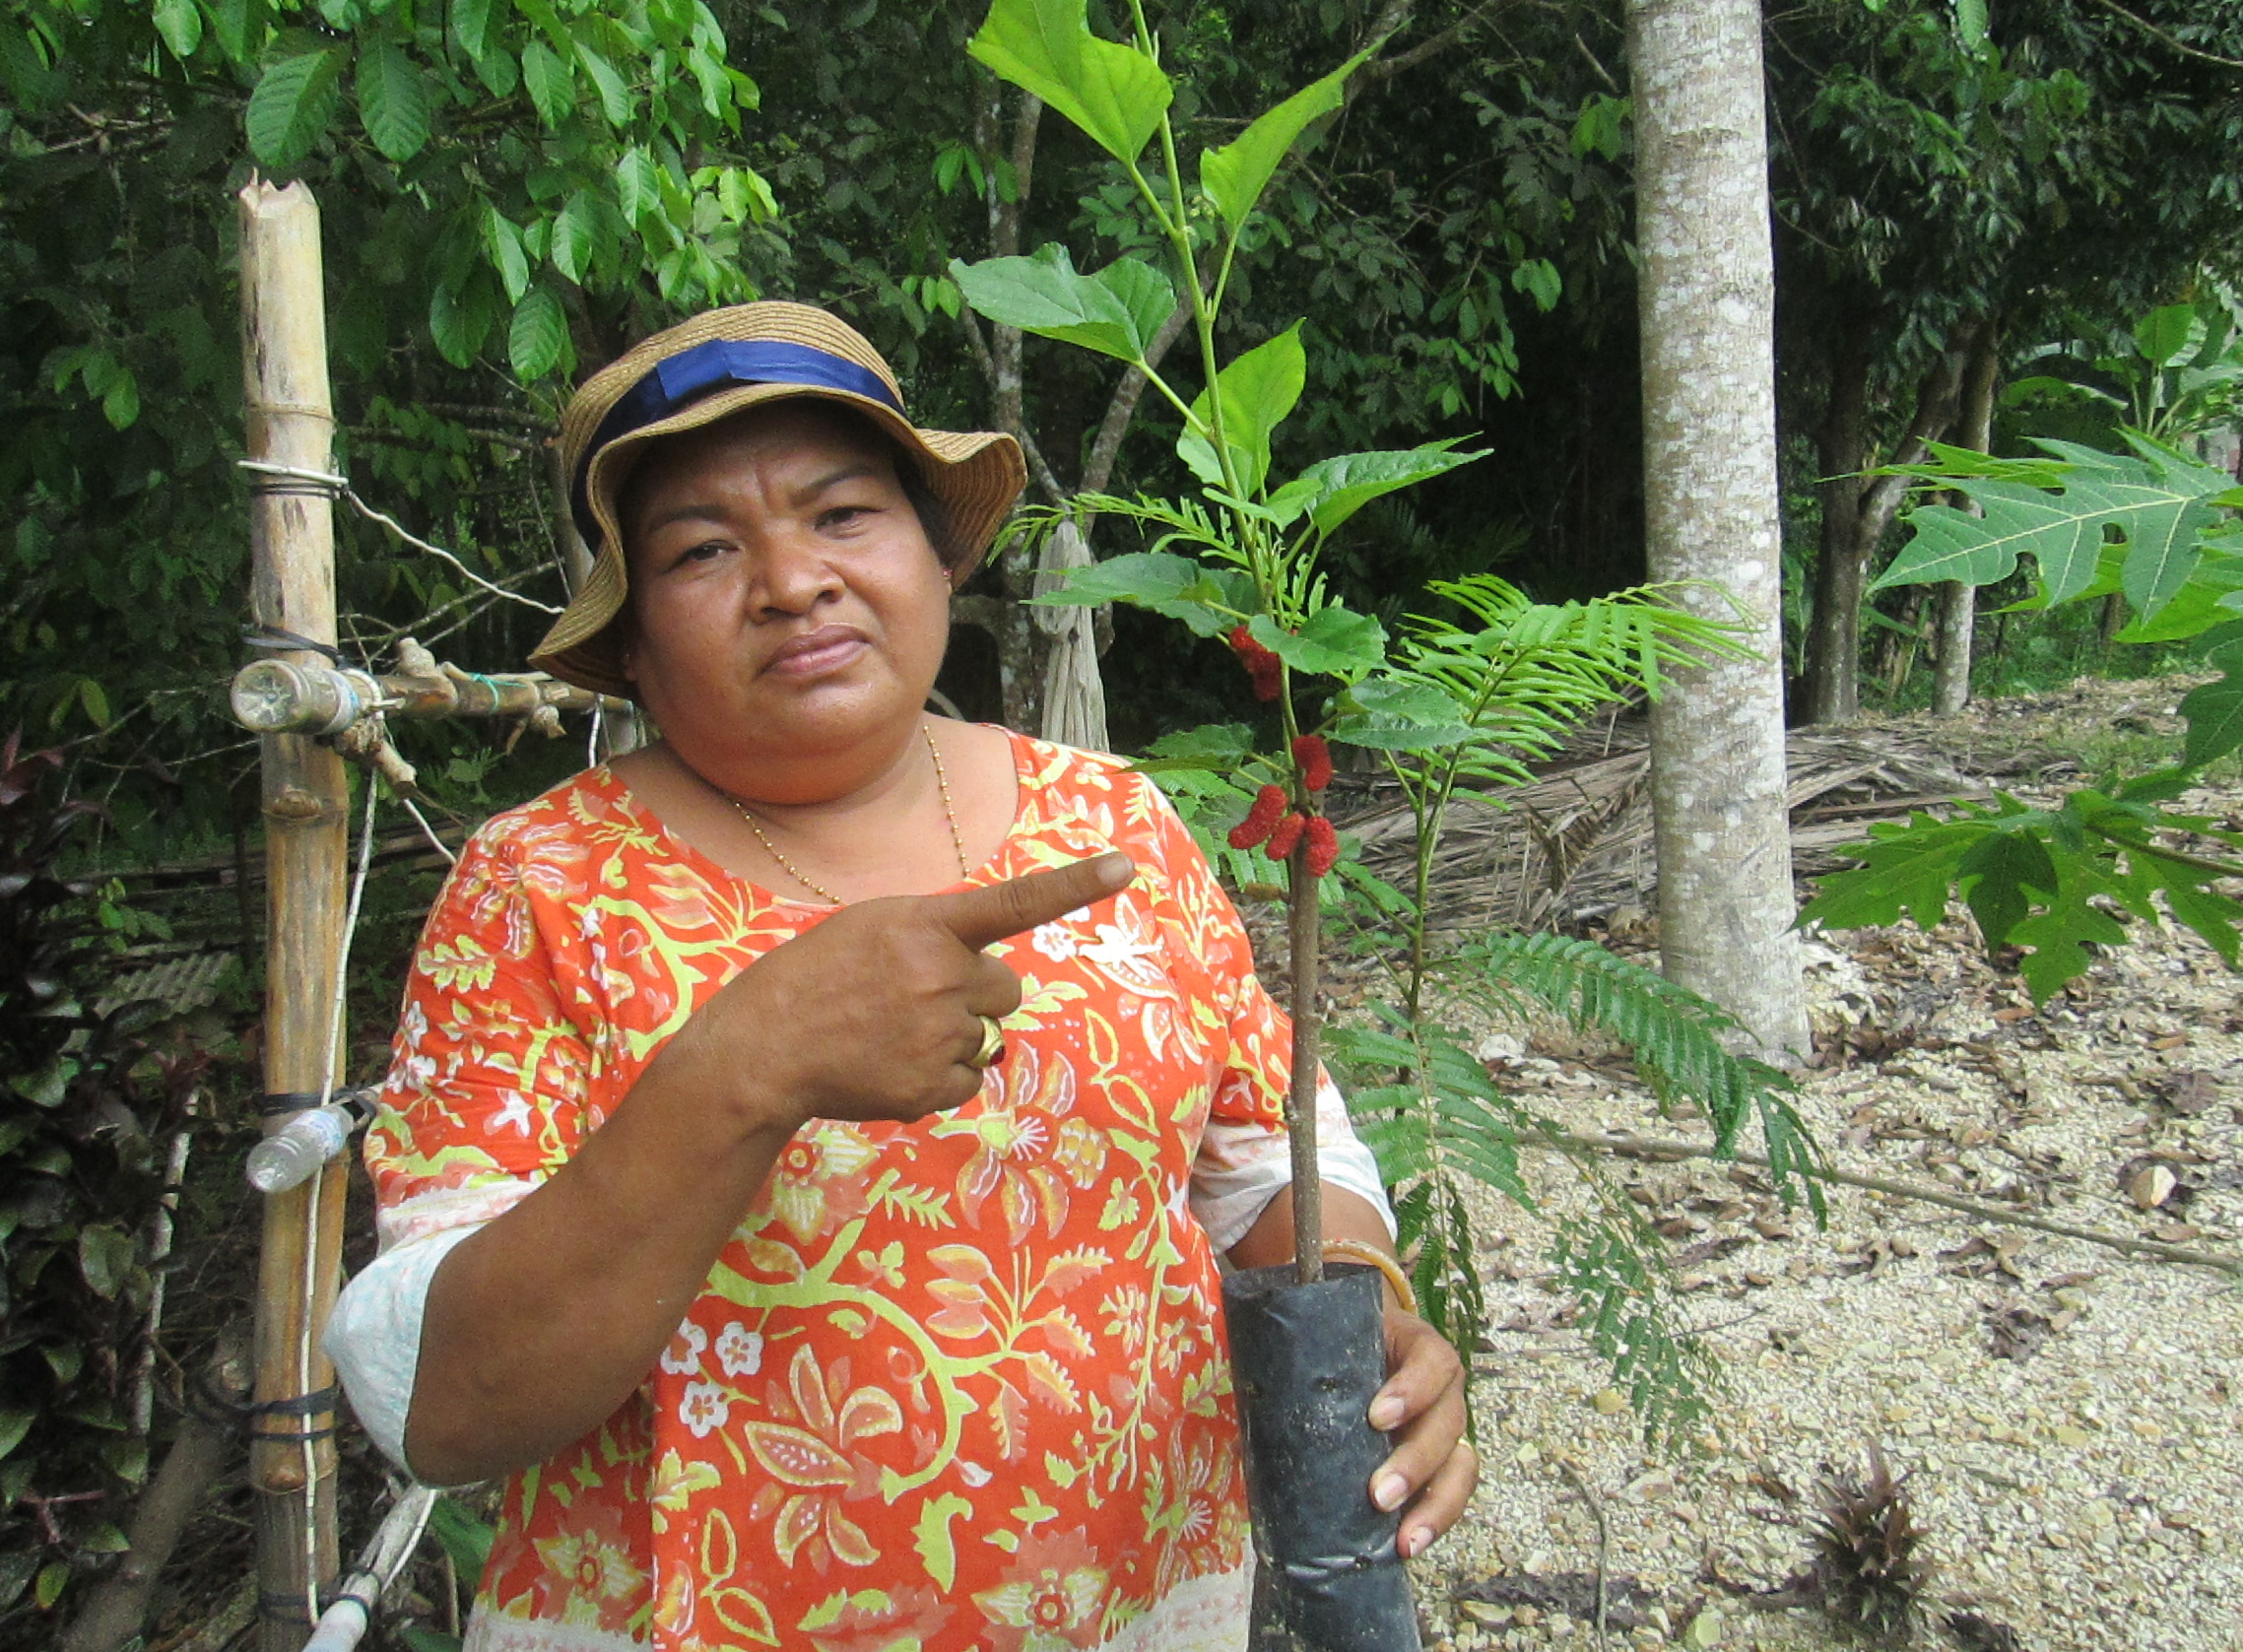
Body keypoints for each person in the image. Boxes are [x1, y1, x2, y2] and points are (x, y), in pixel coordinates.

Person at [326, 301, 1476, 1652]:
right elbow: (448, 1406)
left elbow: (1263, 1145)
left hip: (1145, 1613)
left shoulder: (1112, 821)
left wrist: (1366, 1313)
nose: (791, 580)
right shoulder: (538, 888)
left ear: (938, 559)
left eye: (842, 515)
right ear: (631, 641)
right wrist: (746, 1065)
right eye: (702, 549)